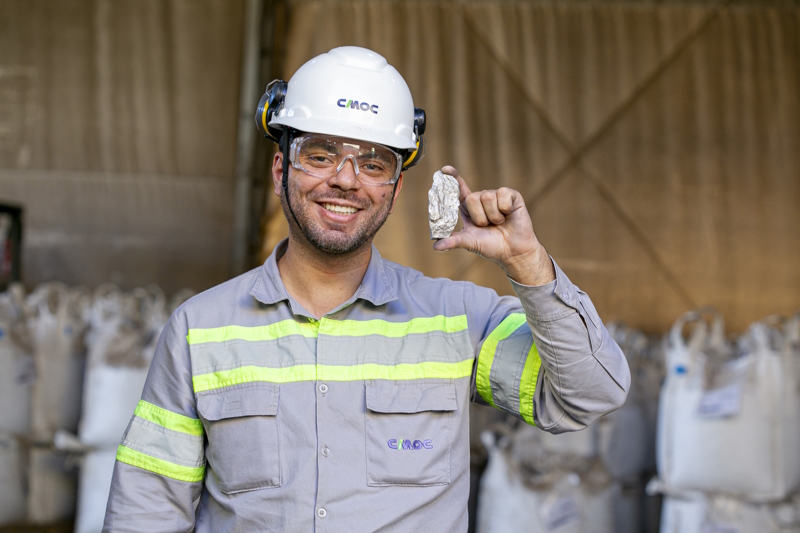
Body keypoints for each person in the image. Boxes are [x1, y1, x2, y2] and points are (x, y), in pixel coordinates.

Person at [103, 46, 629, 532]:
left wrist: (528, 263)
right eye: (320, 154)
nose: (347, 180)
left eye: (374, 163)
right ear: (281, 165)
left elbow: (589, 396)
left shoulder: (459, 320)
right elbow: (146, 509)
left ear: (396, 188)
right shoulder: (201, 329)